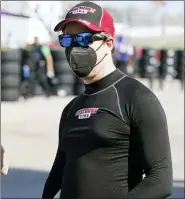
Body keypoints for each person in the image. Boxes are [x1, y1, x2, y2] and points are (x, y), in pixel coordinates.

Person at [42, 1, 173, 199]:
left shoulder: (137, 98)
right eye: (68, 40)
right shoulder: (71, 108)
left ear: (108, 43)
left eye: (84, 39)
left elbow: (160, 180)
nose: (75, 47)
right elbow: (56, 176)